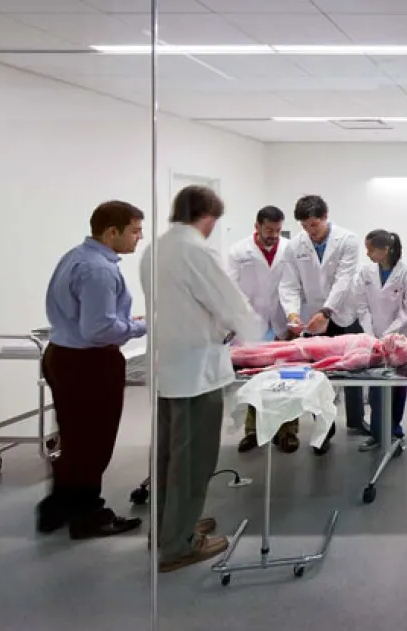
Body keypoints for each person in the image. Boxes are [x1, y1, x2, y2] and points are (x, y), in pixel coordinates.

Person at [141, 185, 260, 573]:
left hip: (168, 368)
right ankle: (179, 545)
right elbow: (230, 304)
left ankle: (168, 527)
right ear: (208, 217)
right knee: (192, 461)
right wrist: (252, 341)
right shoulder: (195, 251)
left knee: (168, 457)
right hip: (196, 372)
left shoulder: (155, 249)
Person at [37, 201, 147, 539]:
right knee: (93, 443)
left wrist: (123, 323)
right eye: (134, 231)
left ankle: (58, 508)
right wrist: (137, 328)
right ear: (111, 232)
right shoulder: (99, 269)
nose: (139, 238)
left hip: (62, 354)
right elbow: (98, 330)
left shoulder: (75, 256)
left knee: (74, 438)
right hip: (89, 364)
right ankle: (89, 515)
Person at [278, 194, 367, 450]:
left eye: (314, 226)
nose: (310, 232)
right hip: (312, 317)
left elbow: (344, 279)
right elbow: (289, 284)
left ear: (325, 217)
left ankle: (357, 421)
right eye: (304, 227)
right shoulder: (295, 245)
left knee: (353, 370)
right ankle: (324, 429)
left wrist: (327, 311)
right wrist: (293, 314)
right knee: (319, 375)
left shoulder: (347, 240)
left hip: (341, 313)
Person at [228, 205, 299, 454]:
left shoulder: (289, 249)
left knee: (287, 378)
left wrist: (293, 316)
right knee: (255, 378)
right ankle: (253, 431)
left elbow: (293, 285)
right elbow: (232, 288)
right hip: (251, 322)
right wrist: (242, 319)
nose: (273, 235)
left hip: (282, 319)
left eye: (278, 230)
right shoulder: (238, 251)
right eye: (269, 229)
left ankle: (287, 431)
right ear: (257, 225)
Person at [352, 230, 407, 453]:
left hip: (398, 338)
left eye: (371, 249)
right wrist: (371, 334)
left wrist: (389, 334)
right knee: (376, 386)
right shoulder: (366, 271)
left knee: (397, 386)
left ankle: (394, 432)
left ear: (385, 249)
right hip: (372, 336)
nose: (367, 253)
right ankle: (378, 433)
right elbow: (361, 305)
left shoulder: (406, 273)